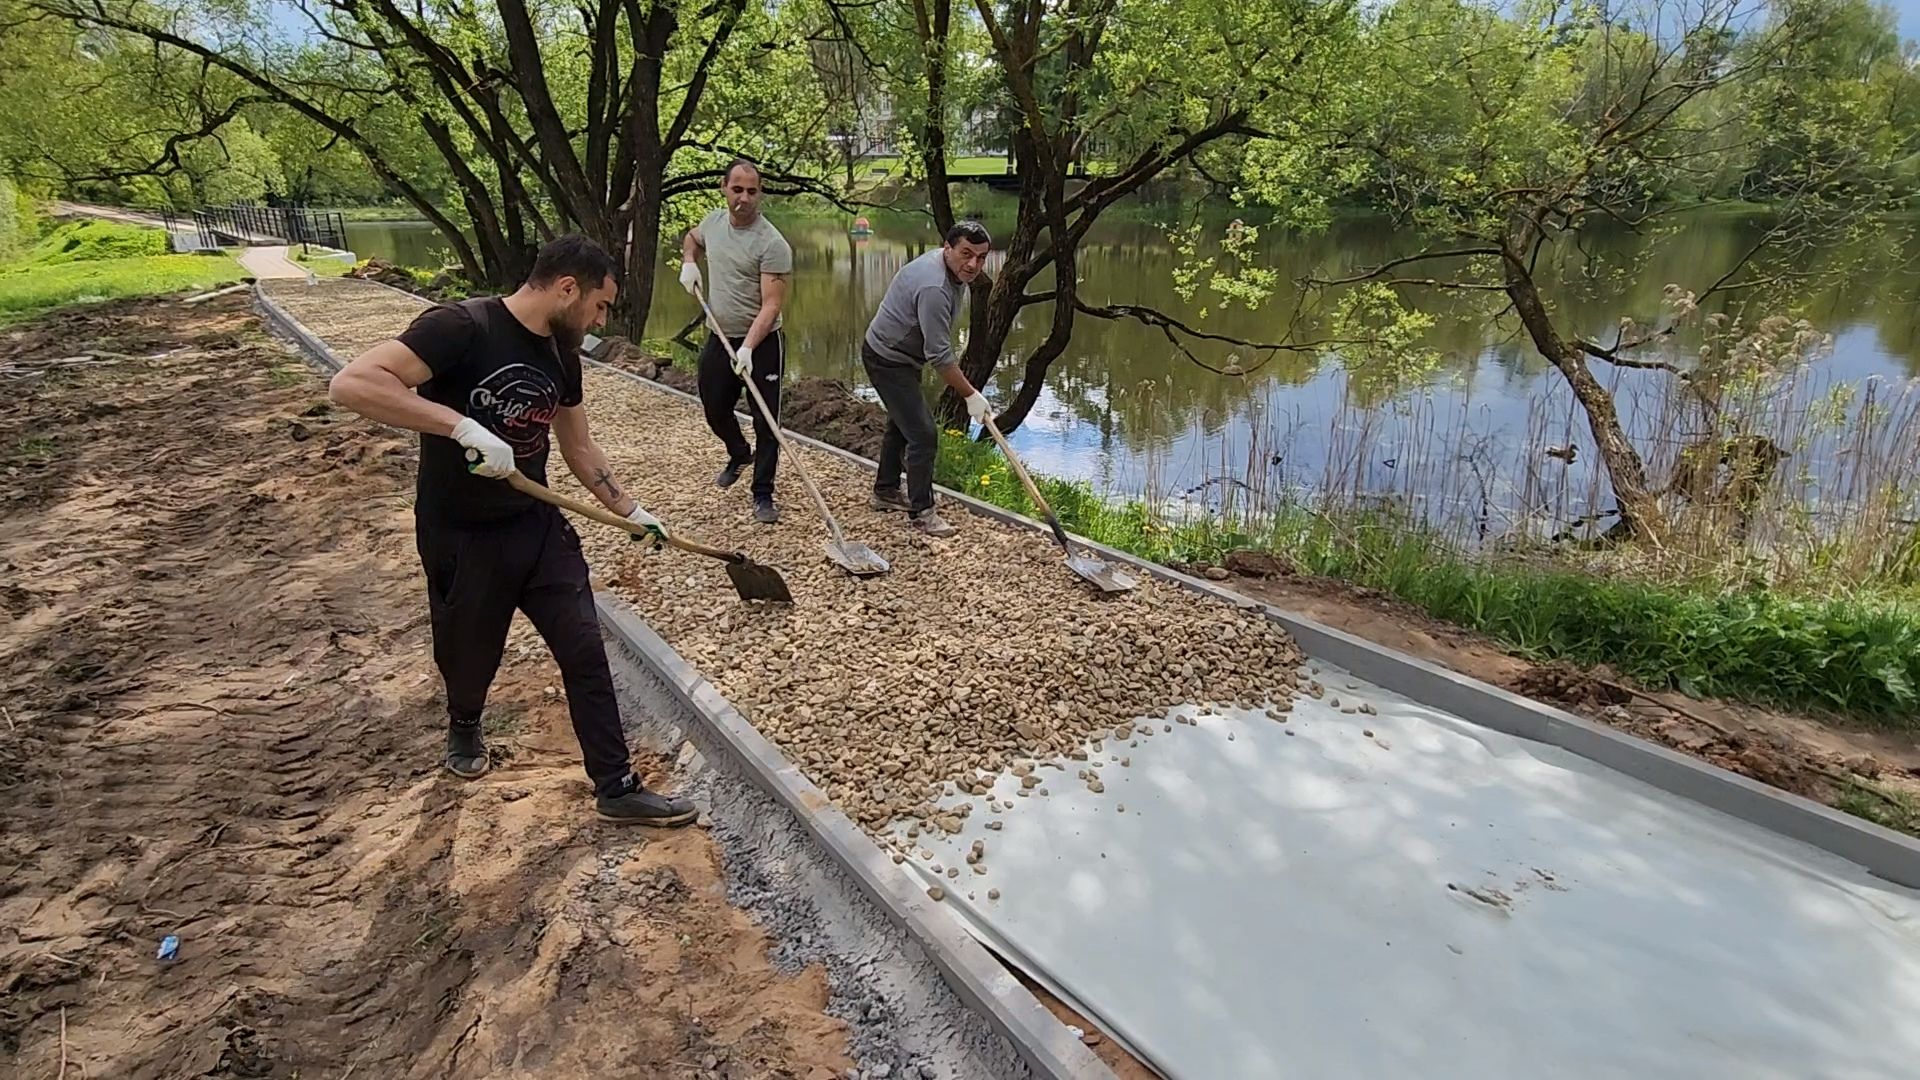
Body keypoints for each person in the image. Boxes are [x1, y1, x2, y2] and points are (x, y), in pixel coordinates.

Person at [327, 234, 695, 827]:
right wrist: (460, 427)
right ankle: (465, 721)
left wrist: (629, 508)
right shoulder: (460, 327)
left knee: (584, 648)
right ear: (567, 287)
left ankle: (616, 785)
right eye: (599, 304)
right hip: (461, 532)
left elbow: (576, 444)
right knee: (469, 652)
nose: (602, 318)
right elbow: (353, 383)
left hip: (535, 527)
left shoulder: (561, 353)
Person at [860, 220, 995, 537]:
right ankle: (922, 511)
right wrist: (971, 395)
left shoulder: (949, 269)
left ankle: (885, 491)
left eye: (980, 257)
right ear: (947, 248)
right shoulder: (934, 287)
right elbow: (940, 357)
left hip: (901, 355)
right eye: (966, 254)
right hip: (887, 358)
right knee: (923, 434)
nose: (973, 264)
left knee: (902, 423)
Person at [678, 159, 794, 525]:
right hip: (719, 336)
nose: (744, 198)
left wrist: (748, 347)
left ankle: (763, 494)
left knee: (766, 421)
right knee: (714, 406)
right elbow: (692, 239)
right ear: (724, 188)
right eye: (737, 189)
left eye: (752, 191)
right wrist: (689, 262)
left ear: (760, 193)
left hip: (762, 343)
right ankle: (738, 452)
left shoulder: (772, 243)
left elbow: (772, 304)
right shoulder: (713, 222)